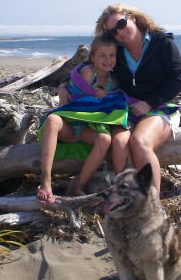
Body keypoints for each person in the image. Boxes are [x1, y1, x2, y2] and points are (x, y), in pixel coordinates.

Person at [60, 3, 181, 194]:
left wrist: (149, 102)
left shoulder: (162, 42)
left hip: (159, 108)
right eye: (112, 33)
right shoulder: (117, 51)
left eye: (121, 23)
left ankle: (152, 205)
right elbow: (88, 66)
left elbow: (178, 79)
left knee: (139, 142)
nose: (120, 32)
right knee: (119, 143)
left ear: (132, 17)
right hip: (126, 110)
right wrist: (62, 86)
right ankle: (129, 200)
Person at [38, 35, 129, 204]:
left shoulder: (113, 80)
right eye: (102, 55)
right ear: (92, 57)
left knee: (104, 139)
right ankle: (45, 181)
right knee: (52, 119)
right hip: (71, 123)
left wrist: (107, 95)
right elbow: (81, 103)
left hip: (88, 128)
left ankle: (80, 185)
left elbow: (117, 99)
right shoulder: (88, 72)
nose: (107, 60)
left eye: (112, 55)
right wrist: (63, 86)